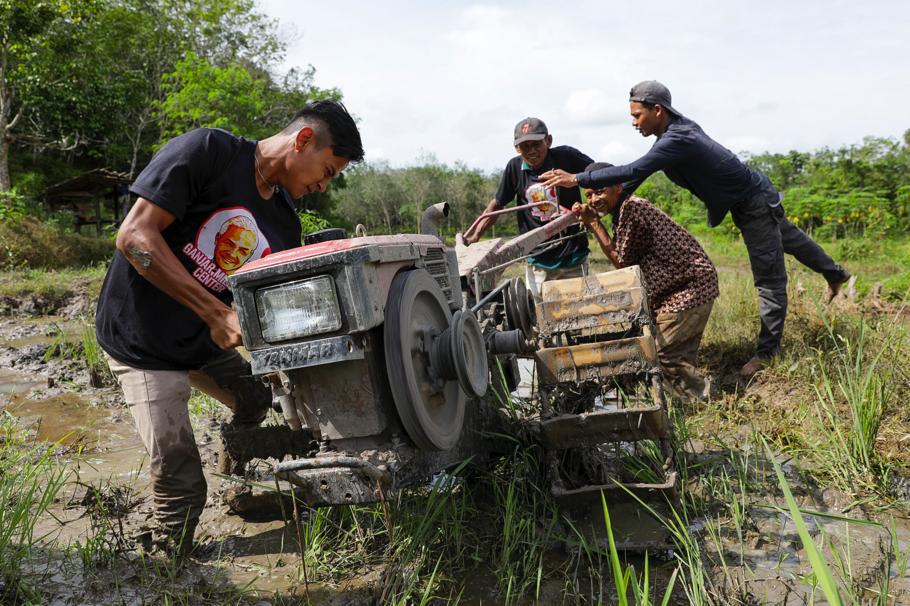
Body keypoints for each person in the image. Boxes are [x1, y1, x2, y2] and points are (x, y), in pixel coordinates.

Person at [95, 100, 364, 555]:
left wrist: (283, 366)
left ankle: (235, 482)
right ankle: (168, 566)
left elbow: (266, 306)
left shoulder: (284, 222)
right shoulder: (208, 152)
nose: (323, 184)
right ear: (303, 140)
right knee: (181, 484)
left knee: (257, 398)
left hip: (199, 340)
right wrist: (216, 314)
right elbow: (134, 237)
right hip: (139, 339)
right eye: (329, 170)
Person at [540, 81, 850, 378]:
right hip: (752, 200)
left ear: (658, 110)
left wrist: (579, 180)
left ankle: (767, 354)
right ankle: (835, 273)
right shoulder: (670, 138)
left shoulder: (678, 139)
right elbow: (629, 183)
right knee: (792, 240)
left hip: (754, 204)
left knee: (769, 279)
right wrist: (604, 202)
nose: (634, 123)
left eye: (637, 115)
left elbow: (634, 170)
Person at [575, 162, 718, 401]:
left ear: (618, 187)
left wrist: (593, 223)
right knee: (674, 353)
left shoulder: (633, 210)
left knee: (665, 354)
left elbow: (623, 264)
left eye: (600, 191)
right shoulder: (621, 212)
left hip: (689, 288)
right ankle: (682, 402)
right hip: (678, 289)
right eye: (589, 194)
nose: (593, 199)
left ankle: (700, 404)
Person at [464, 117, 593, 295]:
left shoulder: (566, 157)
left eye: (536, 144)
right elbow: (497, 205)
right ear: (517, 148)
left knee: (577, 308)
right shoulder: (514, 168)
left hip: (572, 254)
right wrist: (475, 236)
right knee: (538, 311)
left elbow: (598, 175)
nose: (532, 151)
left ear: (548, 141)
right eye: (525, 146)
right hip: (537, 258)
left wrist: (587, 198)